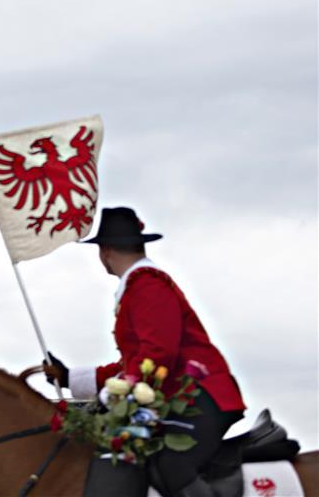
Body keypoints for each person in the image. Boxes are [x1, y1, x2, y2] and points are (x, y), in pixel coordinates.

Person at [44, 207, 245, 497]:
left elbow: (158, 355)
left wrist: (112, 397)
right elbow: (135, 364)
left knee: (170, 462)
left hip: (200, 398)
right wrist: (70, 377)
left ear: (105, 251)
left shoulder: (147, 284)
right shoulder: (139, 285)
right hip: (181, 397)